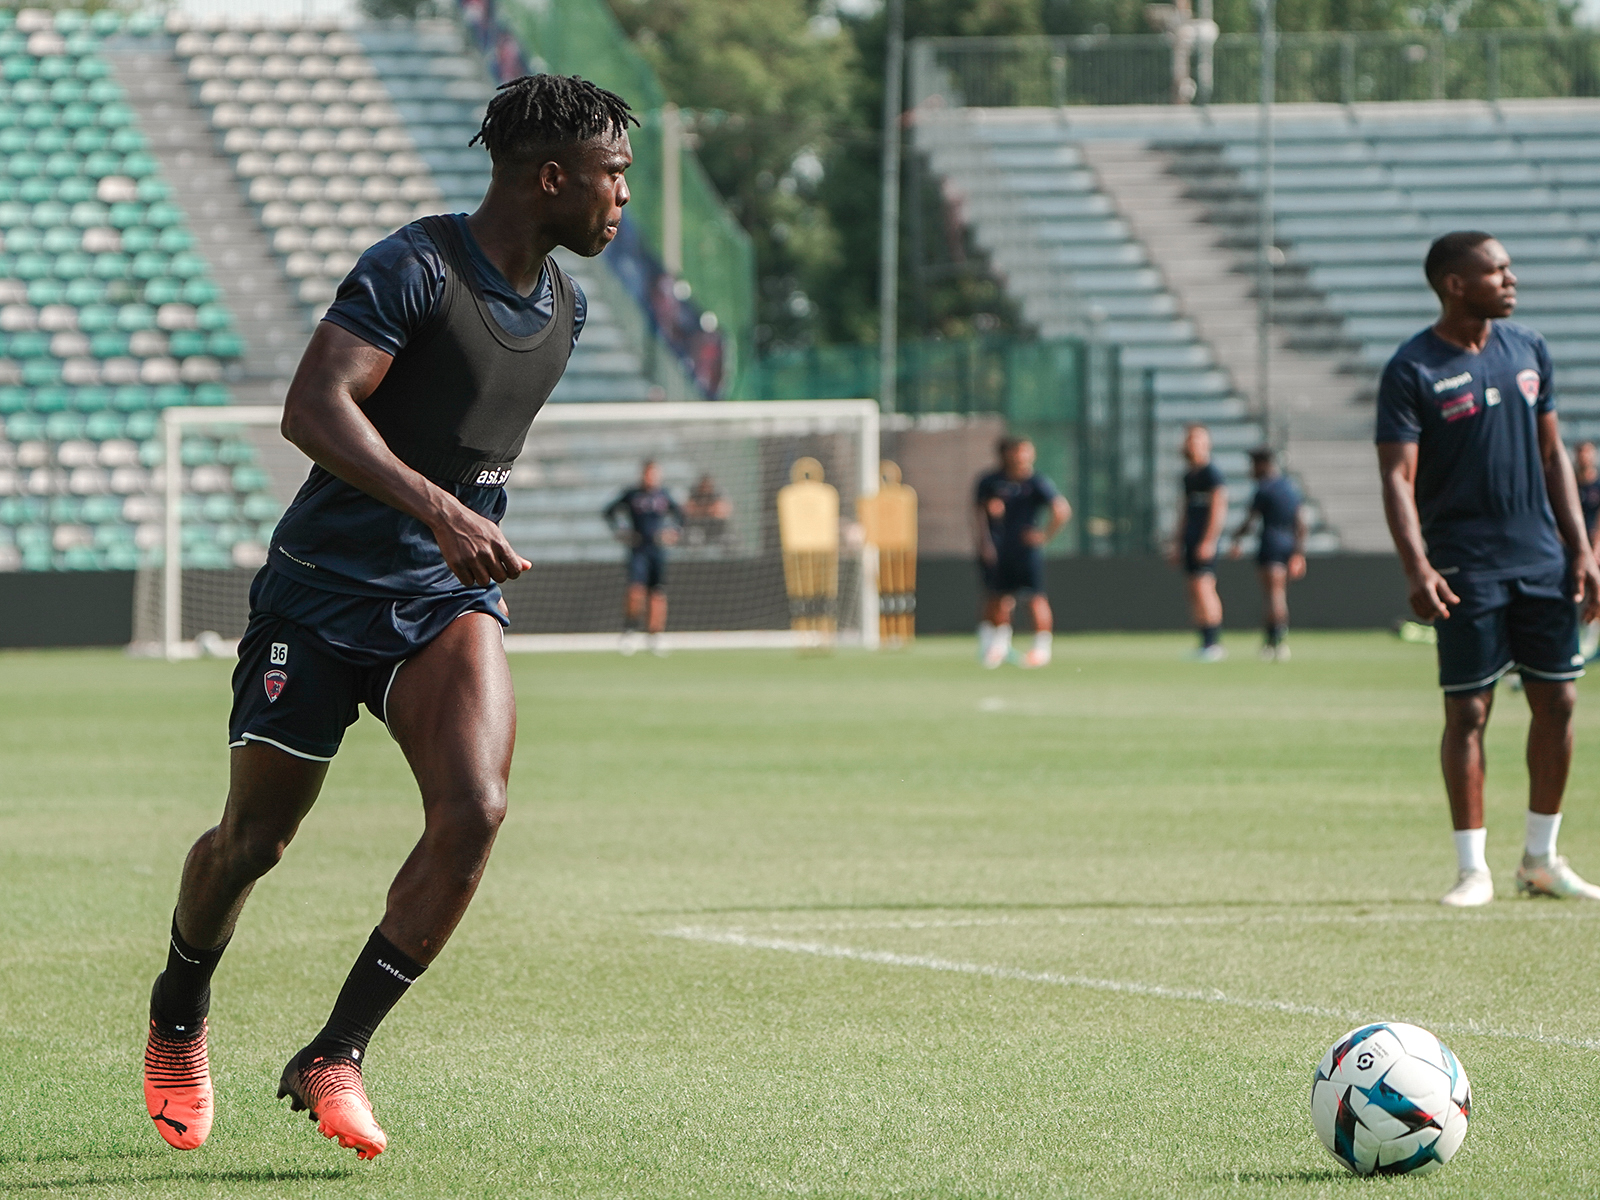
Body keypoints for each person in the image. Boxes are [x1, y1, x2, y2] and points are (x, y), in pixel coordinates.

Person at [139, 75, 636, 1160]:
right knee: (253, 843)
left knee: (476, 810)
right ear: (551, 177)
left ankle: (336, 1053)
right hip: (318, 596)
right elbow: (312, 408)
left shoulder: (569, 304)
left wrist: (452, 531)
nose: (622, 198)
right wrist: (441, 506)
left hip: (443, 597)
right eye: (613, 175)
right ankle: (179, 1012)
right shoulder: (413, 265)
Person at [1376, 229, 1600, 909]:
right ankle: (1471, 869)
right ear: (1454, 284)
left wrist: (1581, 548)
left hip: (1540, 558)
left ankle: (1540, 858)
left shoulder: (1528, 348)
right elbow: (1396, 475)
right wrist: (1416, 565)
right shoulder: (1412, 368)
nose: (1510, 279)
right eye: (1495, 270)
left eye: (1507, 267)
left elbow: (1553, 453)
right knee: (1468, 708)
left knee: (1558, 699)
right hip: (1465, 567)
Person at [973, 436, 1071, 668]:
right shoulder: (990, 482)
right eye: (1018, 452)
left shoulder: (1036, 483)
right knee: (997, 598)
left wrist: (1044, 536)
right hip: (999, 550)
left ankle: (1041, 649)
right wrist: (984, 541)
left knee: (1034, 597)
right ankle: (997, 645)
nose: (1023, 458)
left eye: (1027, 452)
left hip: (1026, 552)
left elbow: (1061, 510)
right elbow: (978, 515)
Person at [1229, 446, 1307, 661]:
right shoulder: (1291, 487)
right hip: (1288, 545)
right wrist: (1298, 553)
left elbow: (1250, 521)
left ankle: (1274, 641)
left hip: (1271, 544)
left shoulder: (1264, 489)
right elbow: (1300, 524)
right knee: (1279, 594)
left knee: (1272, 595)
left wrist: (1234, 537)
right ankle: (1276, 639)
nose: (1251, 470)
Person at [604, 459, 684, 654]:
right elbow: (609, 512)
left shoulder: (663, 495)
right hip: (638, 548)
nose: (652, 478)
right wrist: (621, 531)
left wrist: (673, 532)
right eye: (649, 473)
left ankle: (655, 635)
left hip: (657, 549)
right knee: (635, 590)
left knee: (657, 592)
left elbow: (680, 516)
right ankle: (630, 630)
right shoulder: (632, 495)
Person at [1170, 424, 1227, 660]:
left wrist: (1209, 540)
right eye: (1190, 439)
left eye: (1198, 439)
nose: (1193, 444)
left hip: (1203, 540)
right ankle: (1204, 641)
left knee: (1204, 587)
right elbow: (1184, 511)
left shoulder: (1211, 473)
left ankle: (1214, 643)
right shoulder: (1189, 476)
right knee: (1193, 589)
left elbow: (1218, 507)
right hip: (1190, 540)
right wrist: (1177, 541)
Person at [682, 471, 732, 548]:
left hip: (717, 527)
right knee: (693, 539)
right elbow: (689, 510)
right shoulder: (694, 492)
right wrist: (708, 510)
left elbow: (721, 510)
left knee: (728, 539)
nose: (705, 488)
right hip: (697, 526)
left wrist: (700, 510)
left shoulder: (718, 492)